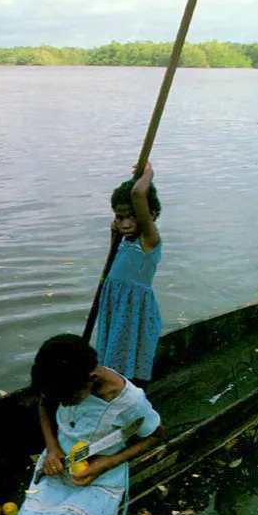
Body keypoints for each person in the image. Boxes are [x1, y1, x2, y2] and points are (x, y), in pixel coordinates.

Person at [16, 333, 163, 515]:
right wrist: (52, 449)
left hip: (102, 475)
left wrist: (106, 463)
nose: (63, 403)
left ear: (91, 379)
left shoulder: (129, 401)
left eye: (68, 400)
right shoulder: (62, 382)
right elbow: (45, 404)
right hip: (59, 466)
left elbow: (156, 436)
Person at [95, 161, 162, 388]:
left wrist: (147, 174)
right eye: (119, 217)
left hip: (133, 309)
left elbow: (138, 193)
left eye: (131, 217)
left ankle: (128, 394)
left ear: (149, 215)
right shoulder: (124, 239)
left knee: (127, 358)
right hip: (116, 305)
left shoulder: (149, 240)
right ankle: (114, 389)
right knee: (112, 353)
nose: (124, 224)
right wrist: (114, 233)